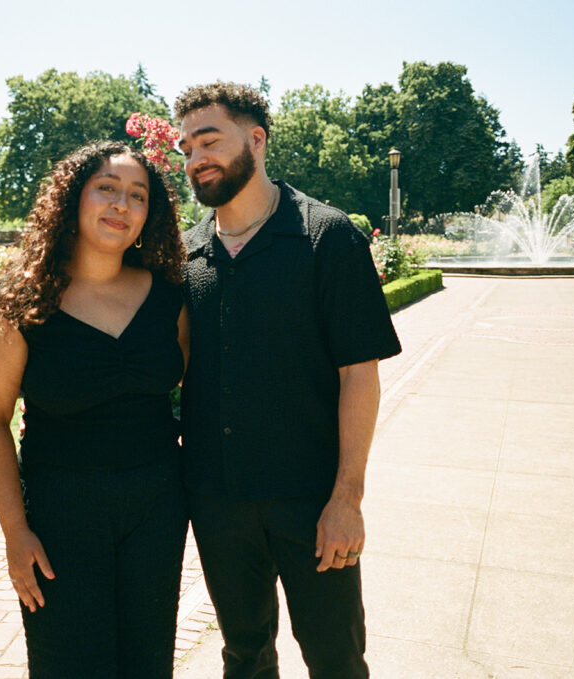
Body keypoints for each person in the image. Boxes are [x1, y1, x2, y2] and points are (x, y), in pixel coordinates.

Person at [174, 82, 402, 679]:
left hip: (312, 500)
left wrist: (346, 498)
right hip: (219, 503)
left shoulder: (327, 237)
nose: (195, 157)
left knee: (336, 659)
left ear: (256, 139)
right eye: (186, 146)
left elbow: (360, 374)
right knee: (244, 658)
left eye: (209, 140)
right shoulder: (187, 252)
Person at [0, 141, 189, 678]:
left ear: (149, 215)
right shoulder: (21, 302)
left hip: (157, 511)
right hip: (60, 517)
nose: (121, 204)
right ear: (73, 197)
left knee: (147, 663)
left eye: (137, 196)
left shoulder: (169, 298)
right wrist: (15, 532)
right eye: (107, 189)